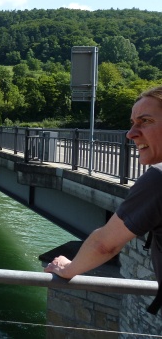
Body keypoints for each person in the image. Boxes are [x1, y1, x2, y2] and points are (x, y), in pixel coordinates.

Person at [44, 85, 162, 314]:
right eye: (132, 122)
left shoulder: (158, 178)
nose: (130, 133)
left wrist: (68, 269)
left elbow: (105, 244)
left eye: (145, 121)